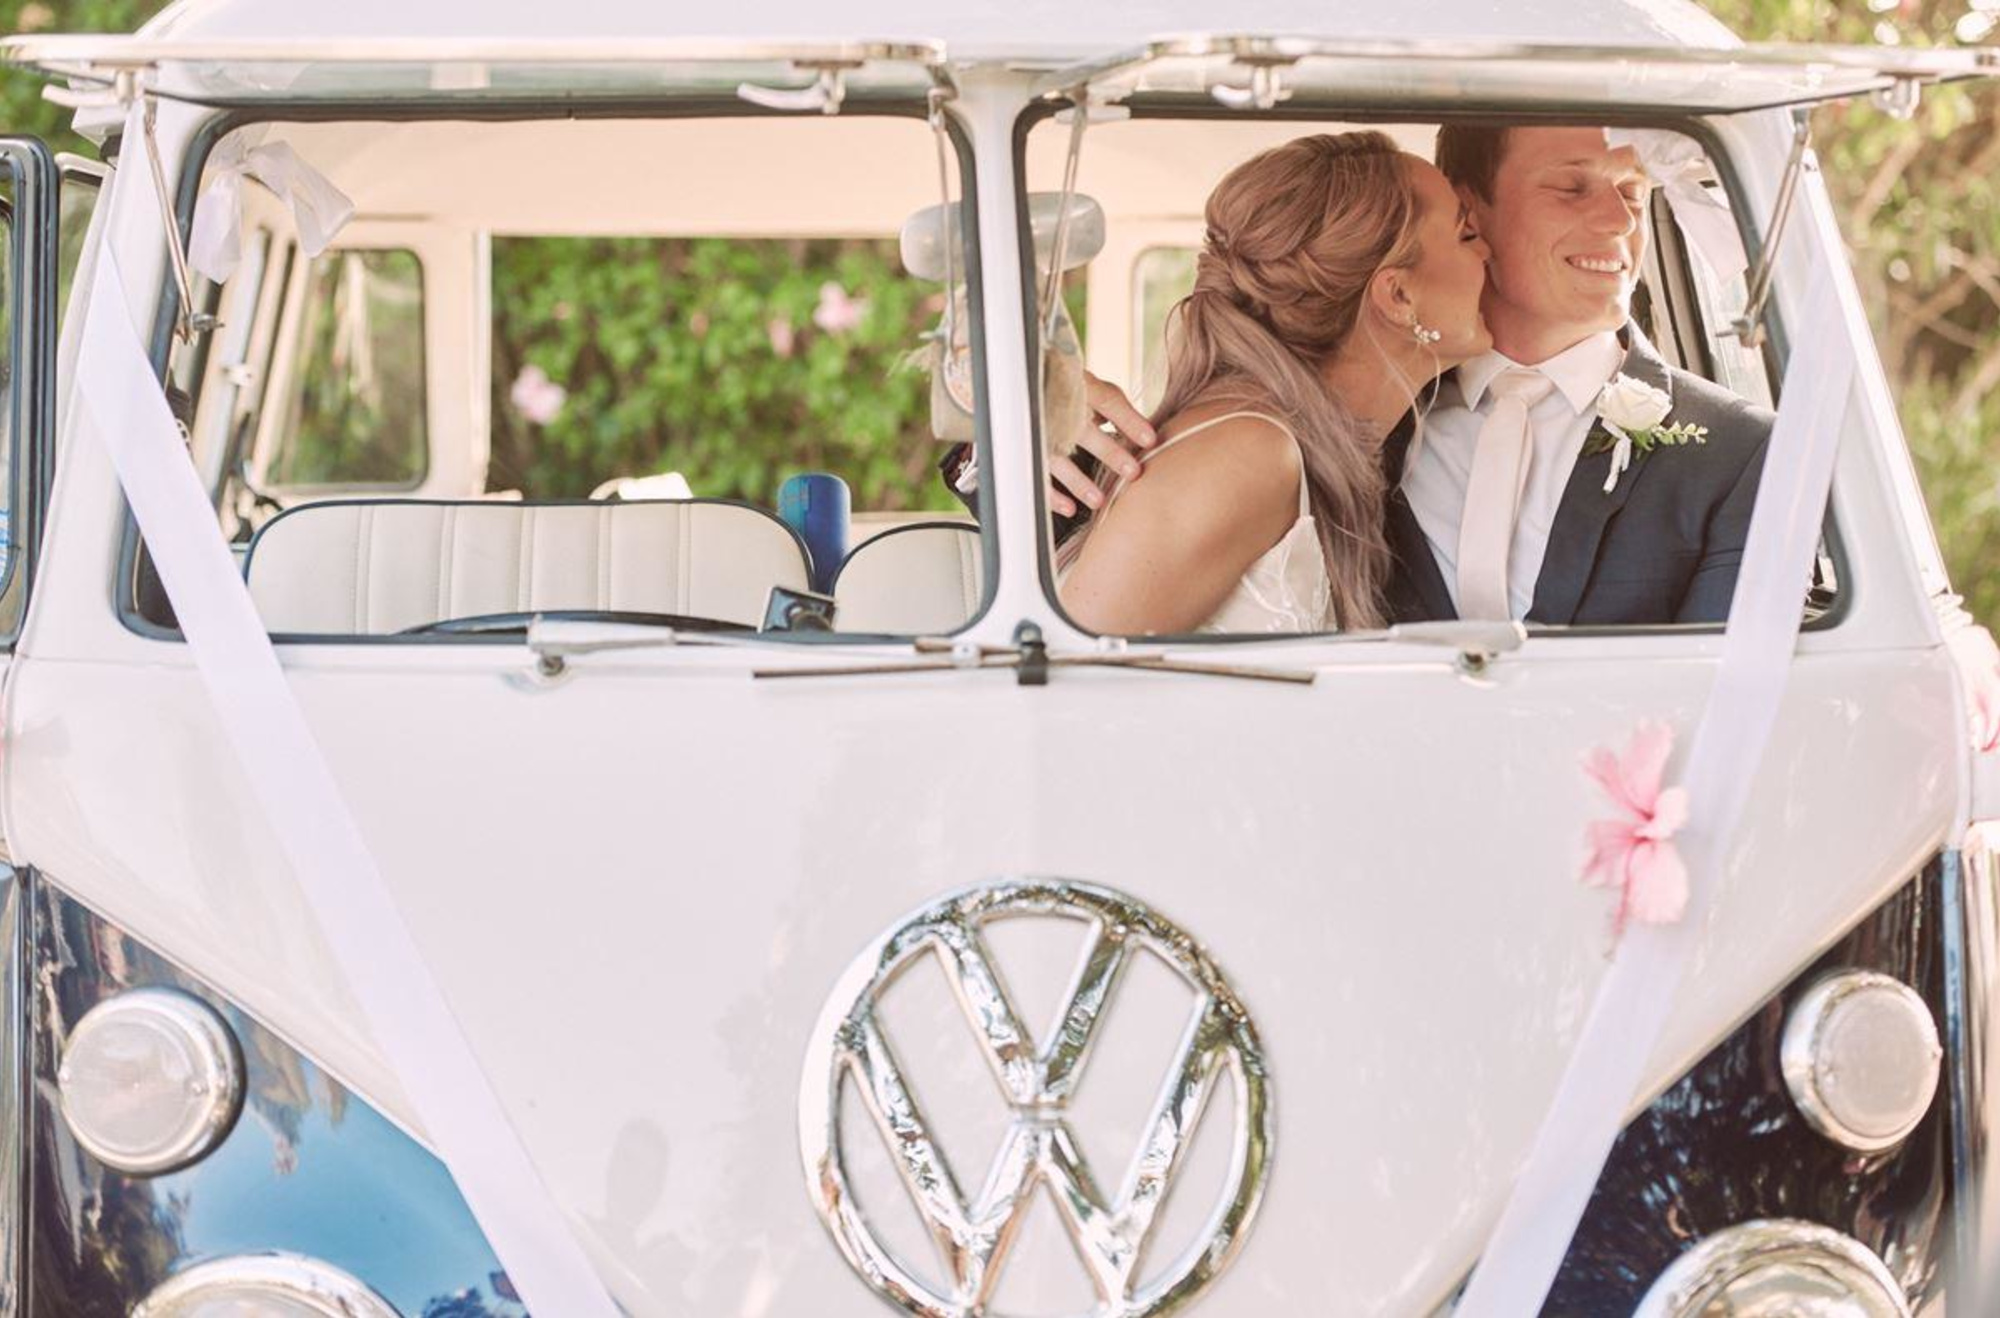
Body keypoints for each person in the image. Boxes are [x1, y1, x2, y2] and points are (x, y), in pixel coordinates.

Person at [1065, 124, 1773, 629]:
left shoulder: (1744, 452)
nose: (1619, 219)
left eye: (1634, 191)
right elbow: (1068, 673)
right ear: (1399, 294)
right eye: (1569, 186)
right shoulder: (1269, 443)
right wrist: (1011, 432)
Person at [1056, 132, 1492, 635]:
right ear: (1397, 295)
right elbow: (1071, 682)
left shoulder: (1311, 449)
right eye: (1465, 235)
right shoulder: (1245, 452)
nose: (1488, 250)